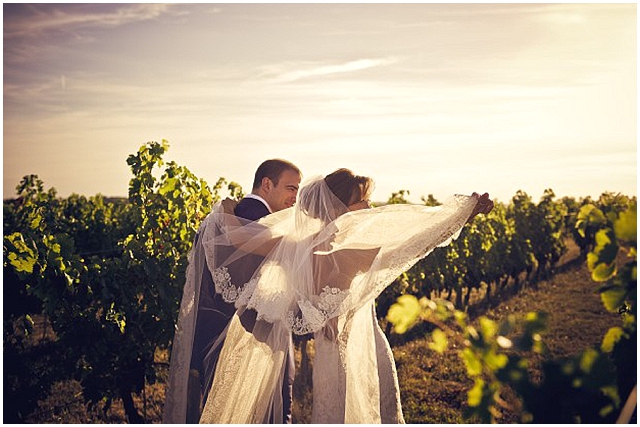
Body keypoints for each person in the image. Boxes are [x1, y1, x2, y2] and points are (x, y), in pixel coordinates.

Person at [170, 167, 493, 423]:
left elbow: (241, 239)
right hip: (351, 343)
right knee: (353, 406)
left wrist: (223, 211)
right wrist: (464, 214)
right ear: (339, 208)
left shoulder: (299, 243)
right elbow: (413, 239)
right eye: (361, 202)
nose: (369, 207)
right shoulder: (351, 250)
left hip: (330, 344)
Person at [162, 159, 302, 424]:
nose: (295, 196)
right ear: (267, 184)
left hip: (219, 331)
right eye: (290, 188)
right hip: (236, 337)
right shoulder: (251, 214)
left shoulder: (235, 211)